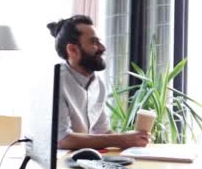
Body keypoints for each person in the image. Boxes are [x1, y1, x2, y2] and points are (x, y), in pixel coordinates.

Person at [47, 15, 150, 150]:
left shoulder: (98, 83)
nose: (103, 48)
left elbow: (103, 131)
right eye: (94, 42)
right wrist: (122, 139)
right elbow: (63, 140)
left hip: (81, 160)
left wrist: (133, 140)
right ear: (72, 50)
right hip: (59, 164)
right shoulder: (55, 82)